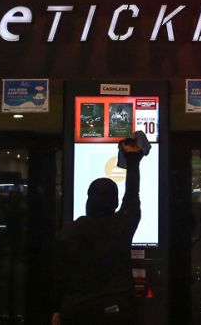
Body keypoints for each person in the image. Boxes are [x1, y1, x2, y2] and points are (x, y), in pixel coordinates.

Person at [53, 138, 144, 325]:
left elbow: (59, 275)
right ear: (115, 202)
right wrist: (132, 160)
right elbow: (132, 196)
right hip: (118, 309)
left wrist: (56, 308)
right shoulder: (122, 225)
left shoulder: (71, 231)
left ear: (89, 200)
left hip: (79, 310)